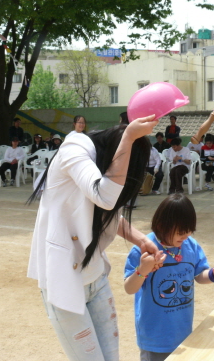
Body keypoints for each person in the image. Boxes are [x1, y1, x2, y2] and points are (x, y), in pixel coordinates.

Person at [27, 115, 162, 361]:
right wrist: (130, 137)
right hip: (64, 282)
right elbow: (106, 197)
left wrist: (141, 240)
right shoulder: (75, 148)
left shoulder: (99, 166)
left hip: (96, 278)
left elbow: (104, 214)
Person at [124, 193, 214, 361]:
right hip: (155, 337)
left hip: (182, 331)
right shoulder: (144, 249)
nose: (186, 237)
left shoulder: (190, 246)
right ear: (162, 225)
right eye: (181, 233)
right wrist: (143, 270)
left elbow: (199, 275)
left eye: (189, 231)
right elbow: (129, 288)